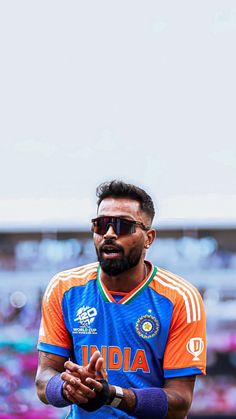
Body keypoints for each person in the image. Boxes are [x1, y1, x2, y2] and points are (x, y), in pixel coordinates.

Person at [35, 180, 206, 418]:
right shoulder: (64, 288)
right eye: (101, 224)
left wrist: (111, 395)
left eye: (122, 226)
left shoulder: (180, 298)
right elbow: (44, 379)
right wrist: (68, 388)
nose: (109, 234)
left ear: (149, 238)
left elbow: (180, 403)